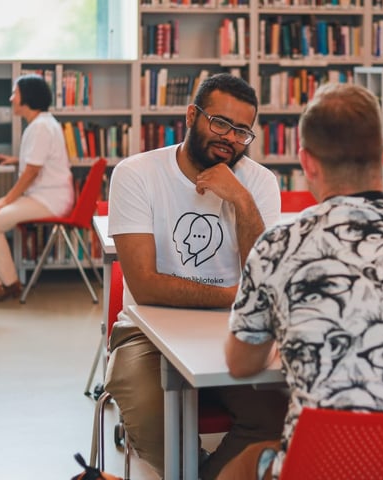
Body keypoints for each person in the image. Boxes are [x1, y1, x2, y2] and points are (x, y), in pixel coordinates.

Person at [218, 83, 383, 480]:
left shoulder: (279, 244)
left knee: (245, 462)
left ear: (306, 161)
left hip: (329, 466)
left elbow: (241, 364)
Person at [105, 73, 288, 480]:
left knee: (275, 418)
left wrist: (241, 199)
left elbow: (264, 279)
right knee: (154, 422)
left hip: (233, 332)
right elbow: (145, 286)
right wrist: (232, 295)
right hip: (145, 334)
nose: (229, 139)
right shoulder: (137, 173)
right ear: (192, 115)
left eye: (241, 131)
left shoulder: (259, 182)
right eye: (219, 123)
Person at [0, 73, 74, 301]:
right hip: (47, 196)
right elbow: (38, 161)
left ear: (27, 98)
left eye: (15, 93)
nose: (11, 98)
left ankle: (9, 283)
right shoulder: (44, 123)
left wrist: (6, 200)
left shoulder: (40, 127)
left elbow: (32, 172)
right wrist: (16, 160)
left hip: (49, 199)